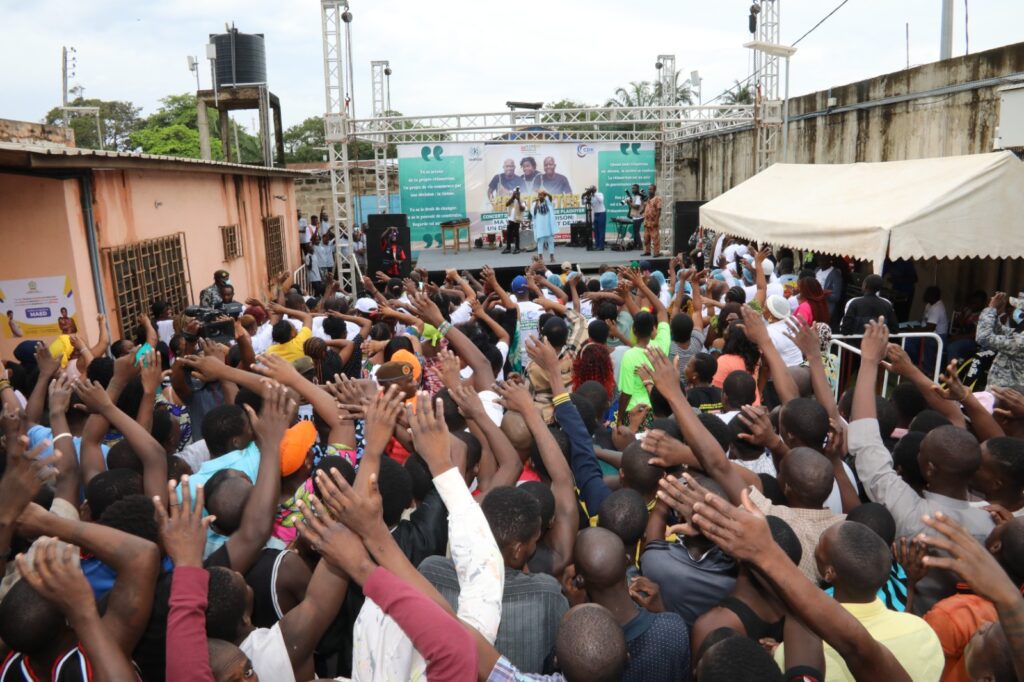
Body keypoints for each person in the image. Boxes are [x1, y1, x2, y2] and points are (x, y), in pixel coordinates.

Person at [773, 521, 944, 681]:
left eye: (820, 542)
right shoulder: (923, 633)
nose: (816, 547)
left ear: (829, 573)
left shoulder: (800, 655)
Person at [568, 527, 690, 681]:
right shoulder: (674, 629)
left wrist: (575, 610)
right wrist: (662, 612)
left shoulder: (573, 647)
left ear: (579, 581)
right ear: (627, 560)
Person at [975, 291, 1024, 388]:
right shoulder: (1020, 333)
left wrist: (991, 308)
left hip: (1006, 396)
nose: (1016, 311)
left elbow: (983, 337)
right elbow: (1001, 331)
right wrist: (995, 312)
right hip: (1001, 393)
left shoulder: (1020, 342)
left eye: (1021, 310)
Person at [815, 255, 844, 327]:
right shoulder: (817, 270)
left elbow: (836, 297)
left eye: (822, 260)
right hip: (815, 305)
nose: (820, 262)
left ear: (829, 260)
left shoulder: (835, 274)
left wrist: (824, 294)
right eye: (819, 260)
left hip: (827, 308)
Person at [533, 189, 557, 264]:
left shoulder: (548, 202)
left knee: (551, 242)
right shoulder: (535, 203)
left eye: (542, 195)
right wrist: (537, 203)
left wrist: (546, 193)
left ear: (544, 196)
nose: (540, 196)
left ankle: (552, 256)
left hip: (548, 226)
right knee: (540, 243)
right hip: (540, 227)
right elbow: (533, 213)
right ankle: (540, 258)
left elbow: (550, 197)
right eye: (539, 195)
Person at [503, 187, 526, 255]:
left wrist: (518, 200)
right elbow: (506, 204)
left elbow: (522, 209)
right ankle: (508, 248)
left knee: (516, 234)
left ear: (519, 193)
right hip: (510, 219)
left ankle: (517, 248)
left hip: (517, 220)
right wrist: (512, 197)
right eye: (514, 193)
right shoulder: (511, 200)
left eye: (517, 193)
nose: (516, 194)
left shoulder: (522, 200)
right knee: (508, 234)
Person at [641, 184, 662, 257]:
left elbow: (659, 210)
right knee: (646, 238)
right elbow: (644, 209)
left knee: (655, 238)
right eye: (649, 189)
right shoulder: (648, 199)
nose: (649, 191)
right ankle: (647, 251)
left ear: (654, 190)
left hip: (653, 222)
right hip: (646, 222)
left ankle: (656, 253)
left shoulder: (657, 199)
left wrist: (656, 221)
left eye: (651, 189)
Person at [589, 186, 607, 251]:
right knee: (596, 231)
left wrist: (595, 194)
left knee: (601, 230)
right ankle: (597, 245)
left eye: (592, 189)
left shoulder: (599, 194)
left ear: (595, 189)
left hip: (602, 213)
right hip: (596, 214)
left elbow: (601, 200)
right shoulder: (591, 196)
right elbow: (585, 202)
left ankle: (601, 246)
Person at [628, 185, 644, 250]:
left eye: (634, 188)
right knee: (635, 231)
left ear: (637, 189)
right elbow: (632, 206)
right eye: (632, 188)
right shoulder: (635, 197)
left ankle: (640, 245)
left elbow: (637, 207)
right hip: (635, 216)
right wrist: (630, 203)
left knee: (636, 231)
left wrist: (629, 203)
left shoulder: (638, 197)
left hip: (638, 217)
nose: (632, 190)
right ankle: (635, 244)